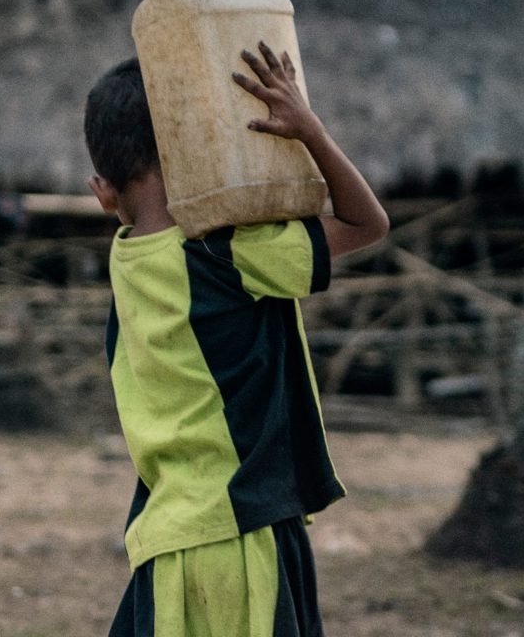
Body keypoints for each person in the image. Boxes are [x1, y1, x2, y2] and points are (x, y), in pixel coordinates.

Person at [85, 43, 388, 637]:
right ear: (200, 145)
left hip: (165, 541)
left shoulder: (126, 266)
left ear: (102, 190)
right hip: (244, 533)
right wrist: (309, 129)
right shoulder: (230, 255)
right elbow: (365, 222)